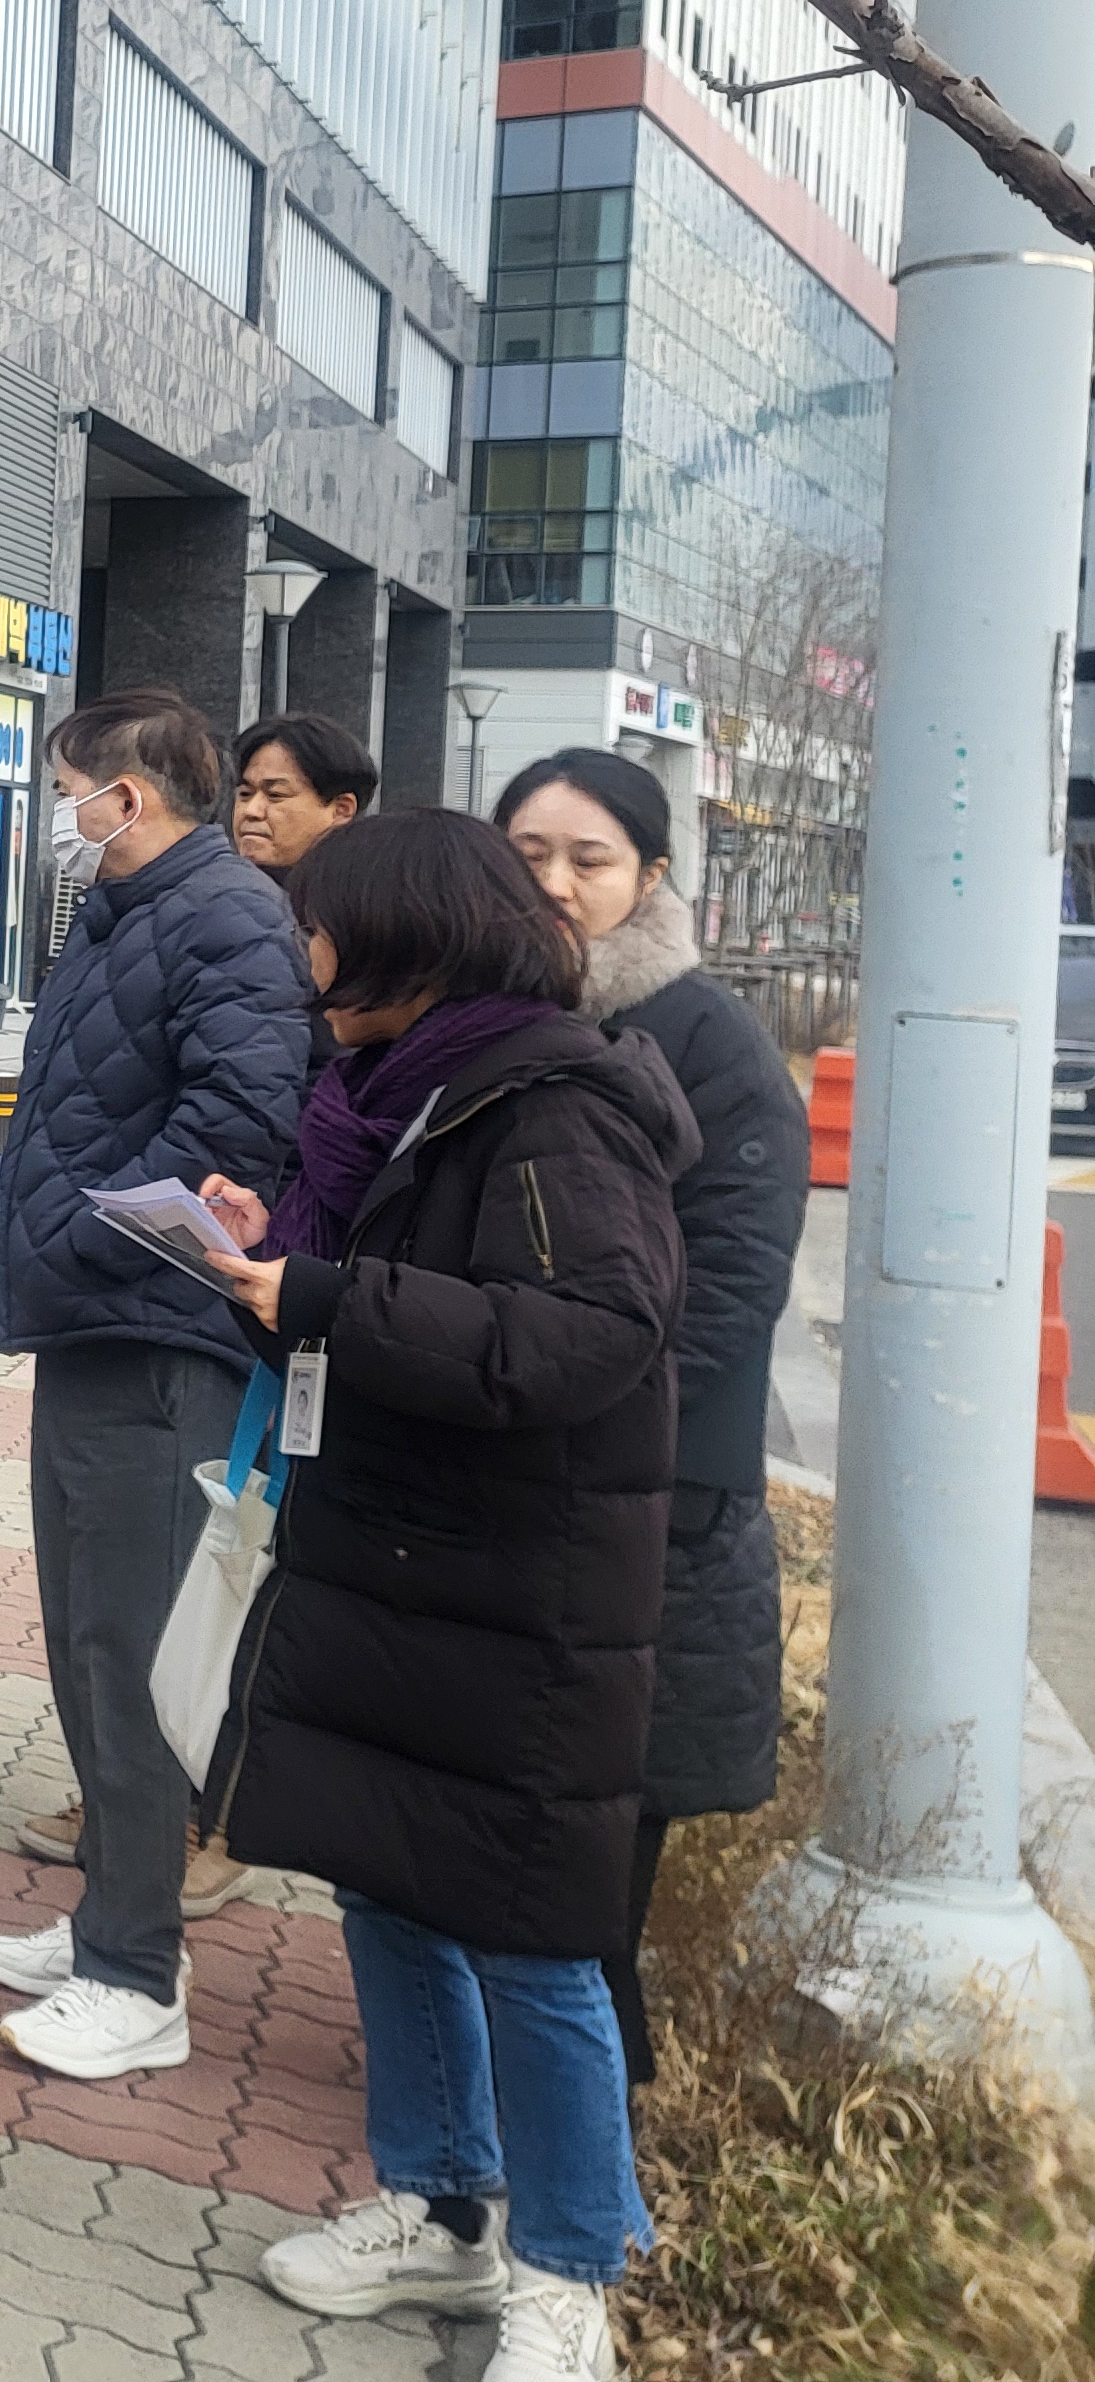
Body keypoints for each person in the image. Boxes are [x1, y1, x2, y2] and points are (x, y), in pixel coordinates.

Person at [181, 810, 688, 2382]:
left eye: (320, 926)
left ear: (406, 935)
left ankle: (570, 2271)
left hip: (516, 1596)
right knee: (386, 1891)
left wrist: (325, 1295)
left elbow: (591, 1333)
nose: (303, 954)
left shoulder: (552, 1107)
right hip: (390, 1560)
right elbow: (382, 1319)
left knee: (532, 1945)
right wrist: (273, 1263)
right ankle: (444, 2209)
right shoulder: (388, 1099)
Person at [0, 688, 309, 2081]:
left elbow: (234, 1127)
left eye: (71, 790)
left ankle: (137, 1976)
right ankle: (114, 1911)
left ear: (131, 795)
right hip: (89, 1322)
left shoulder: (225, 916)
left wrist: (60, 1232)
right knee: (84, 1638)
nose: (60, 816)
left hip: (159, 1332)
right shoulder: (121, 912)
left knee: (132, 1655)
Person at [498, 747, 807, 2085]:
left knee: (593, 1875)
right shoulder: (497, 1013)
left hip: (650, 1514)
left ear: (653, 877)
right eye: (528, 857)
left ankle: (579, 2178)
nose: (558, 885)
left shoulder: (709, 1048)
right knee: (514, 1846)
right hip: (513, 1491)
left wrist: (558, 1403)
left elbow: (727, 1299)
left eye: (591, 860)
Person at [232, 712, 380, 877]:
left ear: (341, 810)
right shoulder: (211, 891)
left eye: (275, 794)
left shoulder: (368, 896)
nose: (251, 810)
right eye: (245, 794)